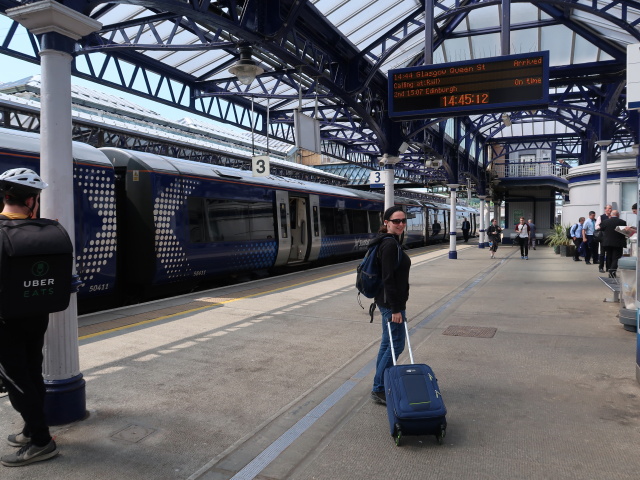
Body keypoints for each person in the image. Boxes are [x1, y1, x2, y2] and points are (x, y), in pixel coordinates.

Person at [0, 168, 59, 467]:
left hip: (5, 322)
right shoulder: (46, 230)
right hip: (36, 315)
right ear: (32, 200)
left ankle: (41, 441)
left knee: (16, 380)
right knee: (32, 372)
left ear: (6, 196)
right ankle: (30, 429)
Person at [370, 206, 411, 405]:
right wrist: (396, 309)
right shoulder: (389, 245)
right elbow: (388, 278)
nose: (401, 224)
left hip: (386, 301)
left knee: (387, 344)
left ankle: (380, 384)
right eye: (396, 221)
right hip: (391, 303)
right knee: (397, 344)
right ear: (386, 222)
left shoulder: (389, 241)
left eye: (403, 220)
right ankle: (379, 388)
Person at [600, 209, 627, 278]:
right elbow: (624, 232)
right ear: (618, 215)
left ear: (611, 215)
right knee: (616, 257)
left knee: (609, 256)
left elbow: (601, 229)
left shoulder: (605, 222)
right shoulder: (622, 222)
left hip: (607, 242)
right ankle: (612, 271)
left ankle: (610, 270)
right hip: (618, 243)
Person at [595, 204, 612, 273]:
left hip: (611, 238)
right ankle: (601, 267)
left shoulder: (612, 217)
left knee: (609, 253)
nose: (609, 210)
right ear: (605, 209)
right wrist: (602, 228)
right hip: (603, 237)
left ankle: (608, 267)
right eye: (608, 208)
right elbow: (596, 226)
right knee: (602, 253)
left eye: (610, 208)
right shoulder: (601, 217)